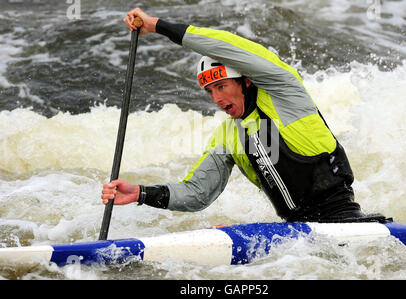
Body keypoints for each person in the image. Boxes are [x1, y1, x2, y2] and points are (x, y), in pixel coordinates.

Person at [101, 8, 388, 223]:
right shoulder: (228, 135)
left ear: (245, 81)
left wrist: (158, 26)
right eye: (209, 91)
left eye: (222, 86)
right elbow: (198, 192)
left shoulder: (284, 92)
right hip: (297, 238)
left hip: (344, 219)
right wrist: (140, 193)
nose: (217, 99)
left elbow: (227, 46)